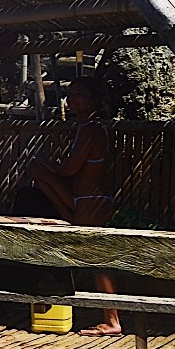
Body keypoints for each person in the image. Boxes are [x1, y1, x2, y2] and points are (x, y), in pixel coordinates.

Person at [30, 78, 122, 335]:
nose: (72, 100)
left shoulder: (93, 129)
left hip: (92, 202)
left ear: (93, 100)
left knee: (98, 261)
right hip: (81, 201)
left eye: (79, 95)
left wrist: (51, 167)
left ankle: (113, 321)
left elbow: (69, 169)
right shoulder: (85, 127)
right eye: (70, 95)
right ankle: (111, 317)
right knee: (38, 171)